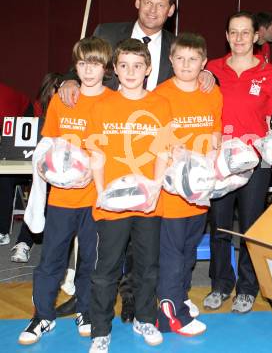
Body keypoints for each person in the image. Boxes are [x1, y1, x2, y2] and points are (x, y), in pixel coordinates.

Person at [57, 0, 215, 322]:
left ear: (171, 10)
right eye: (148, 2)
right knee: (99, 239)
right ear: (137, 2)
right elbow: (83, 65)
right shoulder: (108, 31)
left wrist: (209, 75)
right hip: (109, 147)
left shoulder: (178, 46)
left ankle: (132, 302)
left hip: (149, 155)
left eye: (162, 4)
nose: (154, 9)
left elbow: (192, 75)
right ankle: (87, 301)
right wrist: (68, 78)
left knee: (143, 243)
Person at [18, 37, 114, 345]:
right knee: (51, 259)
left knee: (91, 259)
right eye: (82, 64)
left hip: (96, 198)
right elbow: (47, 147)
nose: (88, 71)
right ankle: (42, 316)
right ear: (75, 66)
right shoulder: (63, 98)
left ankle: (84, 310)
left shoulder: (113, 101)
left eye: (95, 64)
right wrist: (50, 172)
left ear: (106, 67)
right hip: (62, 199)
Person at [87, 38, 172, 353]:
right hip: (112, 204)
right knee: (106, 269)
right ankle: (100, 330)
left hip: (149, 201)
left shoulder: (160, 105)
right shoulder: (102, 106)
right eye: (123, 65)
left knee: (148, 266)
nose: (131, 71)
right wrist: (99, 192)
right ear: (115, 69)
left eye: (138, 65)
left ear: (148, 69)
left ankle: (145, 318)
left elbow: (163, 151)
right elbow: (96, 154)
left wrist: (156, 188)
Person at [203, 11, 272, 314]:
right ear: (226, 36)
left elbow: (271, 117)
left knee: (250, 226)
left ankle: (247, 288)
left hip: (256, 161)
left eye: (245, 32)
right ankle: (220, 284)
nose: (238, 38)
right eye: (233, 32)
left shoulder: (270, 74)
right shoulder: (211, 70)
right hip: (221, 160)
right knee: (220, 226)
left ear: (255, 37)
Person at [154, 33, 222, 336]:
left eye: (193, 59)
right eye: (179, 58)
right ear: (170, 60)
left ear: (203, 62)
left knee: (189, 249)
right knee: (171, 253)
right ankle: (171, 317)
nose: (186, 64)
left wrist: (214, 164)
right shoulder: (159, 95)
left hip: (200, 190)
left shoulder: (213, 93)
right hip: (171, 193)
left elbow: (216, 133)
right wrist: (173, 155)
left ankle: (178, 297)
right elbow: (153, 142)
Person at [10, 72, 62, 263]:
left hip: (60, 169)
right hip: (31, 165)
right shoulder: (35, 108)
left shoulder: (70, 109)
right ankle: (23, 243)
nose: (59, 91)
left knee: (50, 195)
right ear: (48, 88)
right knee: (39, 193)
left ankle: (32, 243)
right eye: (56, 87)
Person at [0, 83, 32, 246]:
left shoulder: (4, 96)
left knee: (4, 175)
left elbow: (7, 133)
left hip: (25, 133)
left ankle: (2, 231)